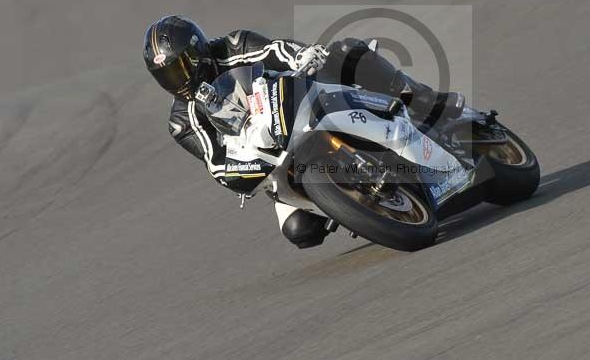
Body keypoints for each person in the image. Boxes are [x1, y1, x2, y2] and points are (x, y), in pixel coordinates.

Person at [143, 15, 463, 248]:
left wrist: (301, 55)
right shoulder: (181, 122)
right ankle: (355, 200)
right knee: (301, 231)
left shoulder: (232, 46)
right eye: (167, 75)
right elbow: (215, 161)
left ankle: (423, 98)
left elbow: (275, 50)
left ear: (198, 51)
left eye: (182, 66)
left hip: (296, 99)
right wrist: (239, 174)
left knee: (347, 53)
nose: (180, 79)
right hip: (270, 153)